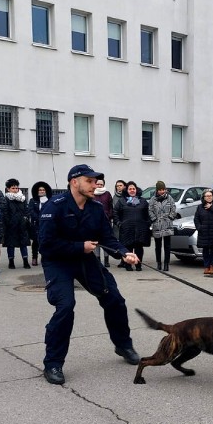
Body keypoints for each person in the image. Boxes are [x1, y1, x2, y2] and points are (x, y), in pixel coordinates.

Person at [38, 163, 141, 385]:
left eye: (95, 181)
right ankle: (53, 363)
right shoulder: (54, 207)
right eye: (90, 181)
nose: (95, 185)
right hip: (58, 262)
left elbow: (107, 238)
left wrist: (124, 252)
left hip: (84, 260)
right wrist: (79, 247)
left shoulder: (95, 208)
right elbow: (45, 245)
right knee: (65, 307)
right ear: (74, 182)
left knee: (114, 299)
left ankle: (123, 344)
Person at [115, 180, 150, 272]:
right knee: (128, 248)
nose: (132, 190)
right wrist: (119, 223)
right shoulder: (122, 201)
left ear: (136, 189)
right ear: (127, 190)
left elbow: (148, 213)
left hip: (140, 229)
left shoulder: (143, 201)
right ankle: (128, 265)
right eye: (130, 189)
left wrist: (147, 223)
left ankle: (139, 265)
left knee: (139, 248)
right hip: (127, 229)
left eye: (133, 188)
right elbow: (115, 213)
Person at [1, 178, 32, 269]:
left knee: (23, 243)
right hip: (11, 225)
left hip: (22, 224)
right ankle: (11, 262)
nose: (15, 190)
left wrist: (25, 219)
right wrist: (9, 222)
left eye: (16, 188)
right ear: (8, 189)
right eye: (13, 188)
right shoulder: (6, 199)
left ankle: (25, 261)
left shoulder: (22, 198)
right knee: (10, 244)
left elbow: (26, 210)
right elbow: (5, 212)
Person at [194, 188, 213, 275]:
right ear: (204, 197)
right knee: (205, 250)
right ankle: (206, 266)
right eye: (207, 196)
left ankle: (212, 266)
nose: (209, 197)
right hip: (204, 232)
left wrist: (211, 207)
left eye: (210, 196)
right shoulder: (200, 207)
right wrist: (199, 227)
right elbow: (196, 219)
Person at [148, 180, 177, 272]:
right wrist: (154, 219)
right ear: (157, 190)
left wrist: (170, 217)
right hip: (157, 224)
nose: (162, 191)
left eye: (163, 189)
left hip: (167, 224)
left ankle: (166, 264)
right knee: (158, 246)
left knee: (167, 246)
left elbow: (173, 208)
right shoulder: (153, 199)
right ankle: (158, 263)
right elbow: (150, 210)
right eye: (160, 190)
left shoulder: (169, 198)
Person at [28, 181, 53, 266]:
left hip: (47, 224)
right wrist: (39, 218)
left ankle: (44, 257)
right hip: (36, 224)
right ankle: (34, 257)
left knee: (45, 241)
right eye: (40, 190)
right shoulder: (33, 200)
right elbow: (30, 211)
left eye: (43, 190)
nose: (42, 191)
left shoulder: (50, 200)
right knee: (35, 242)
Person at [93, 178, 114, 268]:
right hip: (94, 222)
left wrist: (108, 216)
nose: (99, 186)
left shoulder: (107, 194)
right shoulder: (92, 194)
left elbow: (110, 207)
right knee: (96, 242)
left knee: (105, 241)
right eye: (98, 184)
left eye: (101, 184)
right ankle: (97, 260)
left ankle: (106, 260)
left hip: (106, 221)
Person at [112, 179, 127, 267]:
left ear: (124, 186)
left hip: (126, 221)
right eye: (117, 186)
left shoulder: (126, 197)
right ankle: (122, 259)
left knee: (127, 242)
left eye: (120, 185)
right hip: (117, 222)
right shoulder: (114, 197)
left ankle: (127, 259)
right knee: (119, 242)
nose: (119, 187)